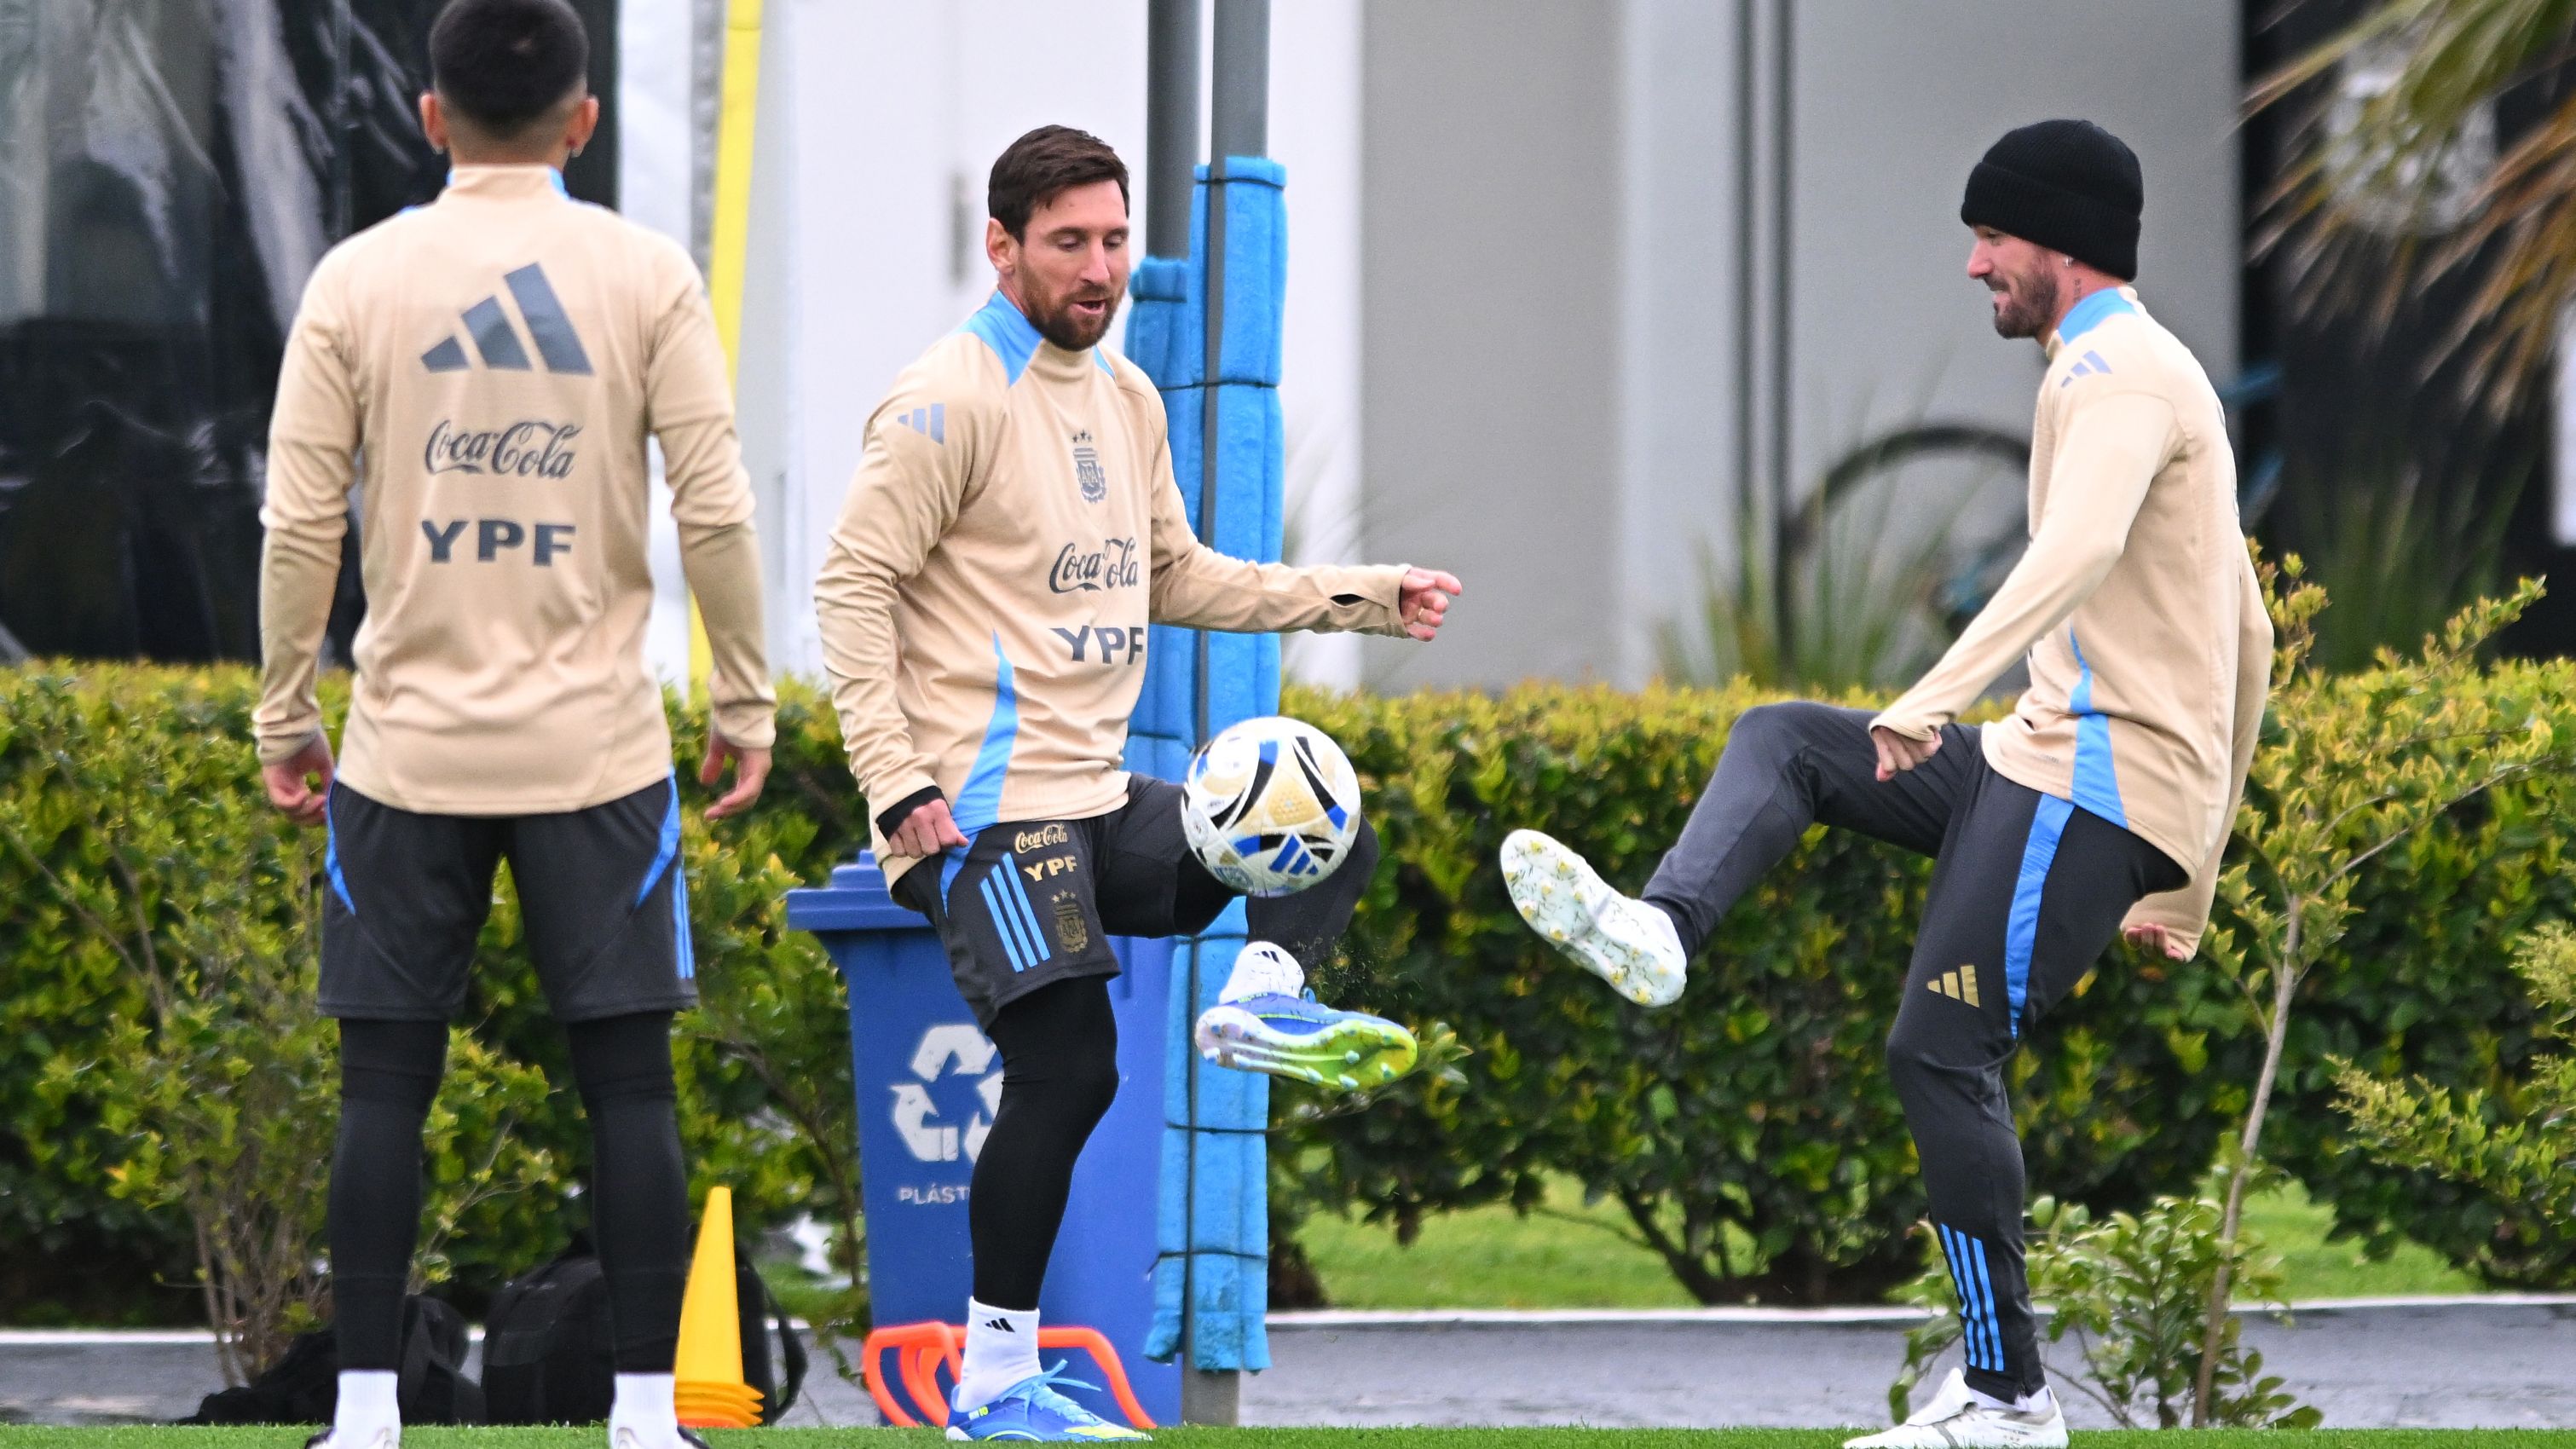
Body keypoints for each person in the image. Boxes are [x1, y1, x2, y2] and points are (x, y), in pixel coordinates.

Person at [1502, 118, 2270, 1449]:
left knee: (1937, 1048)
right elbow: (2249, 636)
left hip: (2087, 783)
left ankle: (2009, 1399)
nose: (1974, 265)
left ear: (2059, 241)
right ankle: (1663, 930)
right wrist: (2190, 884)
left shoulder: (2126, 375)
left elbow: (2077, 549)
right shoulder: (2111, 370)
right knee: (1788, 737)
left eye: (1991, 237)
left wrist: (1933, 702)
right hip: (2037, 759)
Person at [814, 124, 1463, 1443]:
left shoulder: (1126, 399)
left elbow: (1175, 575)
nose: (1098, 266)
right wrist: (895, 789)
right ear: (1002, 248)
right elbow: (849, 587)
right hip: (983, 818)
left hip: (1096, 799)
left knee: (1315, 822)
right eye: (1068, 243)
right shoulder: (943, 399)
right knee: (1068, 1071)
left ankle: (1260, 1005)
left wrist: (1364, 596)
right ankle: (994, 1386)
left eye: (1114, 240)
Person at [254, 2, 774, 1446]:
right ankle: (646, 1416)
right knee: (627, 1082)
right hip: (597, 753)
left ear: (430, 117)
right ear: (583, 121)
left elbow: (299, 524)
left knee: (381, 1084)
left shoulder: (358, 279)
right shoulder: (645, 273)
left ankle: (363, 1414)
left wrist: (282, 711)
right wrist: (746, 699)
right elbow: (717, 509)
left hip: (404, 751)